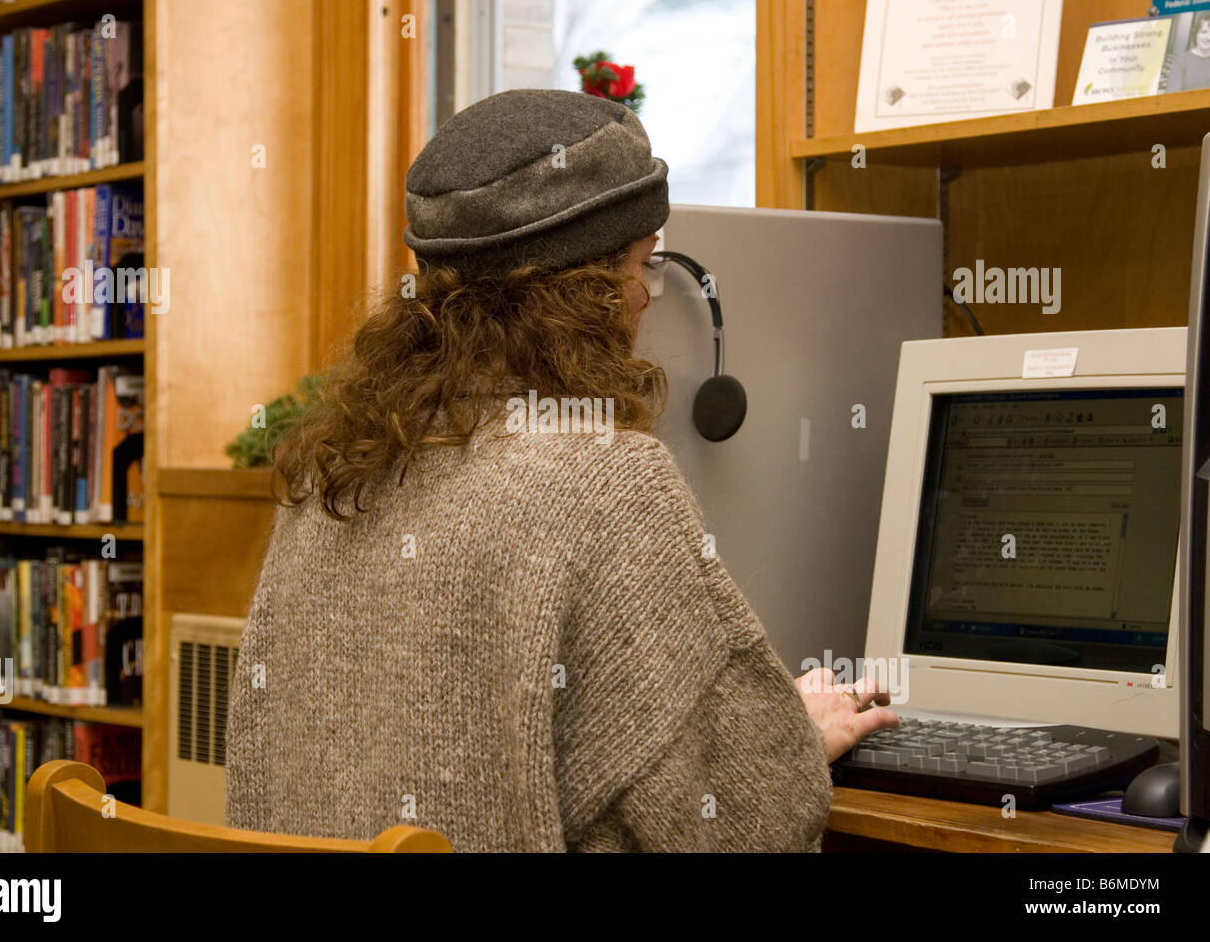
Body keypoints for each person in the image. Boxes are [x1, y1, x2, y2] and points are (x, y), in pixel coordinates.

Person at [225, 88, 897, 852]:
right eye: (641, 265)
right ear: (586, 289)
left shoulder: (330, 478)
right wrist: (787, 745)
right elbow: (739, 827)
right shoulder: (608, 482)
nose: (646, 296)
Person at [1166, 12, 1210, 92]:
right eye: (1204, 32)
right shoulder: (1181, 61)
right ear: (1196, 33)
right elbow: (1172, 96)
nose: (1208, 37)